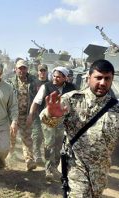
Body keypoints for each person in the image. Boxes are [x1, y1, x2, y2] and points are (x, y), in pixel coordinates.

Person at [40, 59, 119, 197]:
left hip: (100, 175)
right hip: (75, 169)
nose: (103, 83)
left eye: (107, 78)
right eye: (98, 78)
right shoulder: (72, 99)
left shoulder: (116, 108)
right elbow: (48, 122)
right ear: (88, 78)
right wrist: (51, 115)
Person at [26, 66, 76, 181]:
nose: (55, 79)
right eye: (54, 76)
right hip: (48, 120)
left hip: (62, 121)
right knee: (49, 144)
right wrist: (30, 115)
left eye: (58, 77)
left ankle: (55, 167)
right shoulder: (46, 86)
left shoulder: (72, 88)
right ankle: (48, 170)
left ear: (65, 78)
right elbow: (36, 102)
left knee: (59, 145)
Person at [6, 59, 38, 171]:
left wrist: (32, 114)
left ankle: (29, 161)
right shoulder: (10, 81)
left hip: (26, 114)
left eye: (24, 68)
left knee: (27, 138)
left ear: (27, 69)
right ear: (15, 69)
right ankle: (10, 156)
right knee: (11, 137)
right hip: (13, 115)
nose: (22, 70)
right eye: (20, 68)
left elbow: (37, 98)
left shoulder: (33, 81)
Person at [31, 63, 49, 165]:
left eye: (44, 70)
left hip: (47, 115)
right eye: (40, 70)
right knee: (37, 136)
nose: (42, 72)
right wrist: (31, 113)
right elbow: (31, 99)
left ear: (47, 71)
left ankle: (47, 157)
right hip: (37, 114)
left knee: (46, 137)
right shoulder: (33, 84)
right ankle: (37, 155)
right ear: (38, 72)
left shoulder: (50, 84)